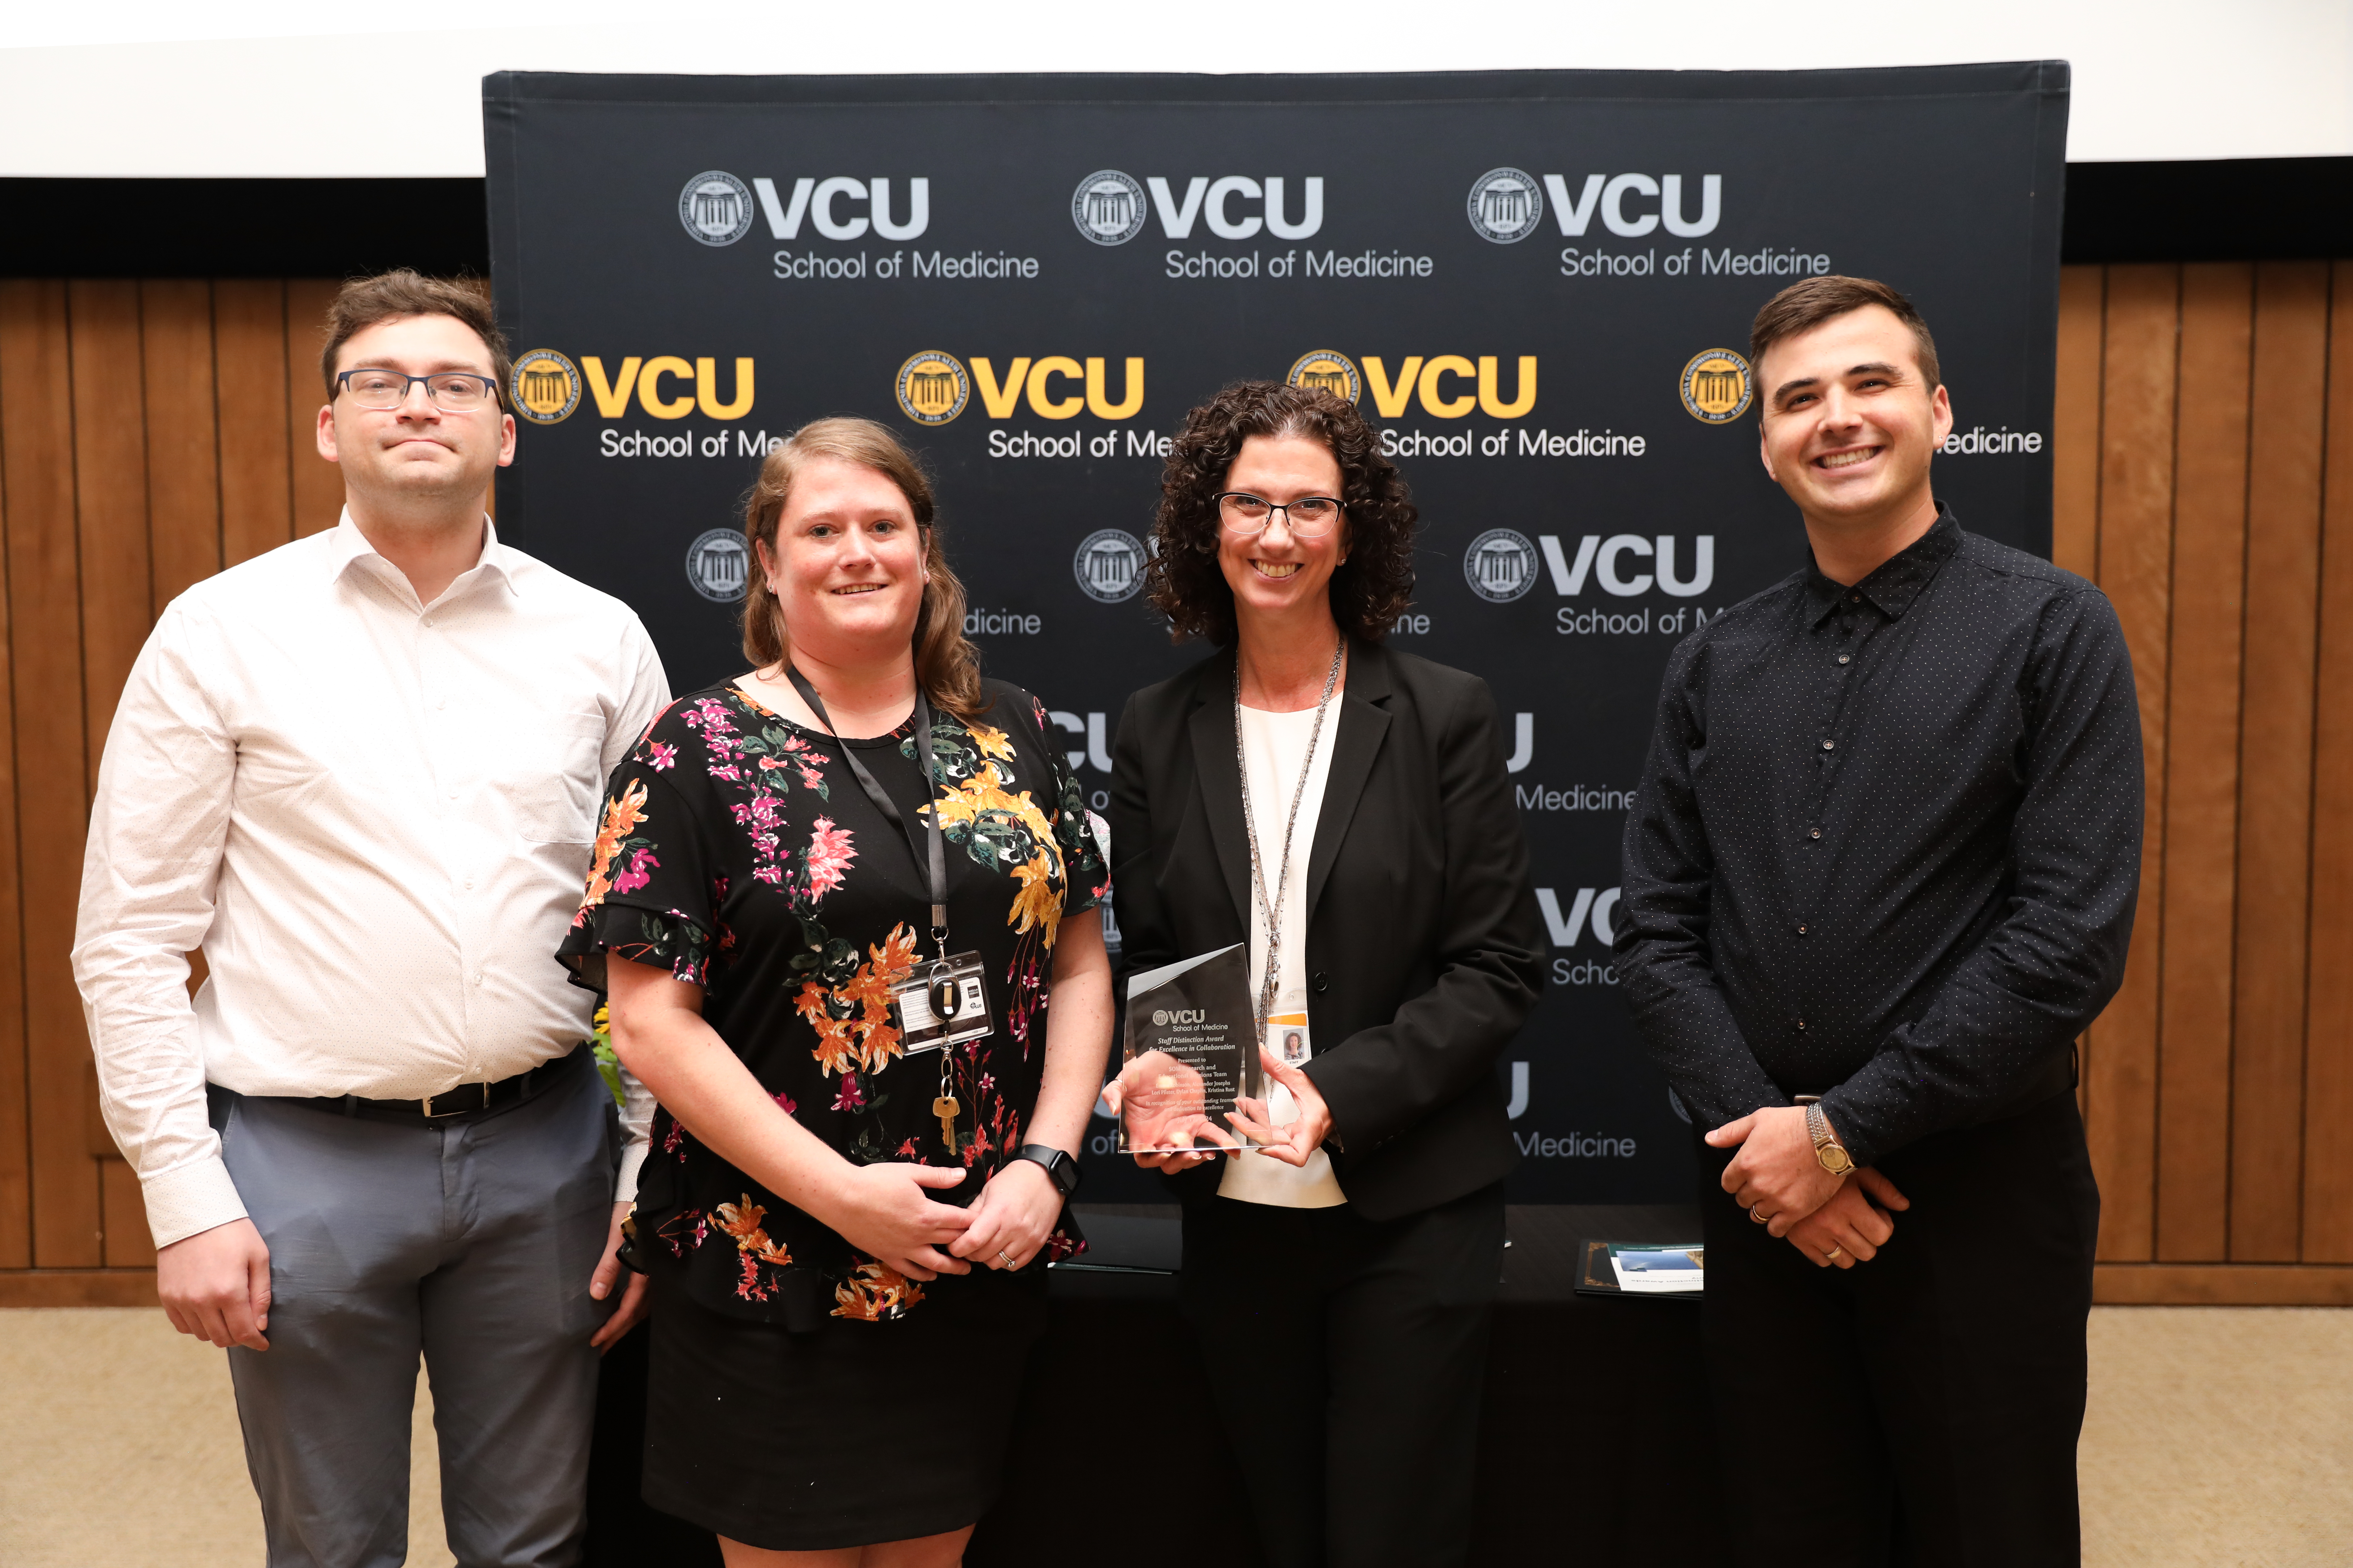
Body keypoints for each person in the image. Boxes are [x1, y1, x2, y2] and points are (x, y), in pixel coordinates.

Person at [70, 269, 671, 1565]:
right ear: (331, 426)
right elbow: (127, 938)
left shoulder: (600, 639)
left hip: (547, 1159)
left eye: (455, 383)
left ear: (504, 430)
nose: (418, 404)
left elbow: (654, 946)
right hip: (302, 1170)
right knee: (331, 1547)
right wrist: (185, 1198)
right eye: (380, 382)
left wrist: (642, 1168)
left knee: (534, 1543)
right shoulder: (219, 633)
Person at [1615, 275, 2142, 1565]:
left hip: (1974, 1201)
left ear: (1938, 411)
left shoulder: (2052, 629)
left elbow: (2068, 938)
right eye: (1799, 399)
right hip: (1761, 1201)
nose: (1835, 419)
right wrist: (1780, 1162)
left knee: (1989, 1528)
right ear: (1766, 444)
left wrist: (1842, 1135)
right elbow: (1657, 930)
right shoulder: (1718, 661)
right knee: (1790, 1528)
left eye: (1870, 384)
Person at [570, 417, 1112, 1566]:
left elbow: (1075, 961)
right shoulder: (695, 751)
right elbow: (650, 1024)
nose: (858, 551)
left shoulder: (1011, 730)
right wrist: (841, 1197)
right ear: (769, 562)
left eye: (885, 524)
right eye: (822, 529)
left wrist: (1048, 1166)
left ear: (927, 550)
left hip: (970, 1250)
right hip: (773, 1265)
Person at [1110, 381, 1546, 1568]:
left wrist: (1340, 1093)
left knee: (1389, 1538)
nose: (1277, 534)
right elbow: (1156, 952)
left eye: (1310, 506)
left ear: (1354, 532)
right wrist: (1166, 1087)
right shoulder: (1157, 725)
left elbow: (1501, 964)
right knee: (1279, 1530)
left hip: (1408, 1206)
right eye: (1250, 503)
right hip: (1236, 1214)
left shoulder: (1443, 713)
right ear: (1211, 524)